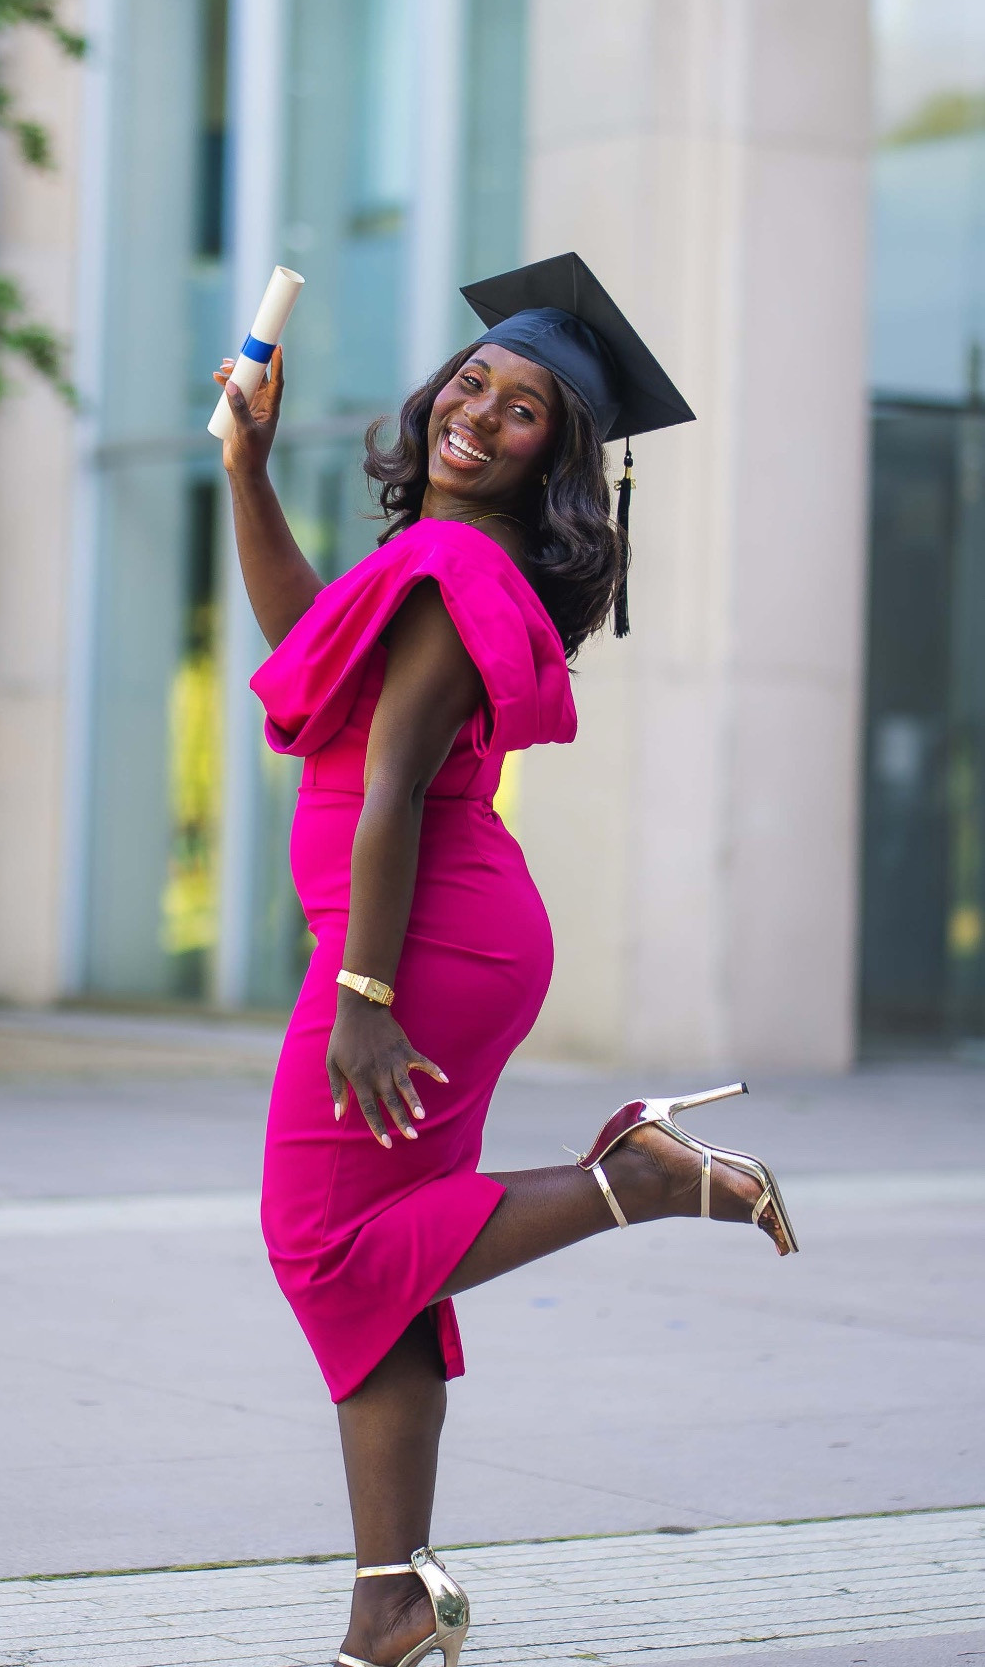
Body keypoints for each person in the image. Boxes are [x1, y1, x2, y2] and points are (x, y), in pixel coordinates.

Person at [214, 253, 797, 1667]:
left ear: (560, 461)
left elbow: (399, 782)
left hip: (413, 938)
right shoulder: (436, 563)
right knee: (387, 1267)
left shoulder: (452, 564)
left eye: (523, 408)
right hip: (448, 929)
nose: (478, 410)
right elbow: (308, 651)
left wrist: (363, 994)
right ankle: (389, 1605)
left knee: (326, 1239)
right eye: (473, 382)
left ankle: (633, 1178)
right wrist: (247, 466)